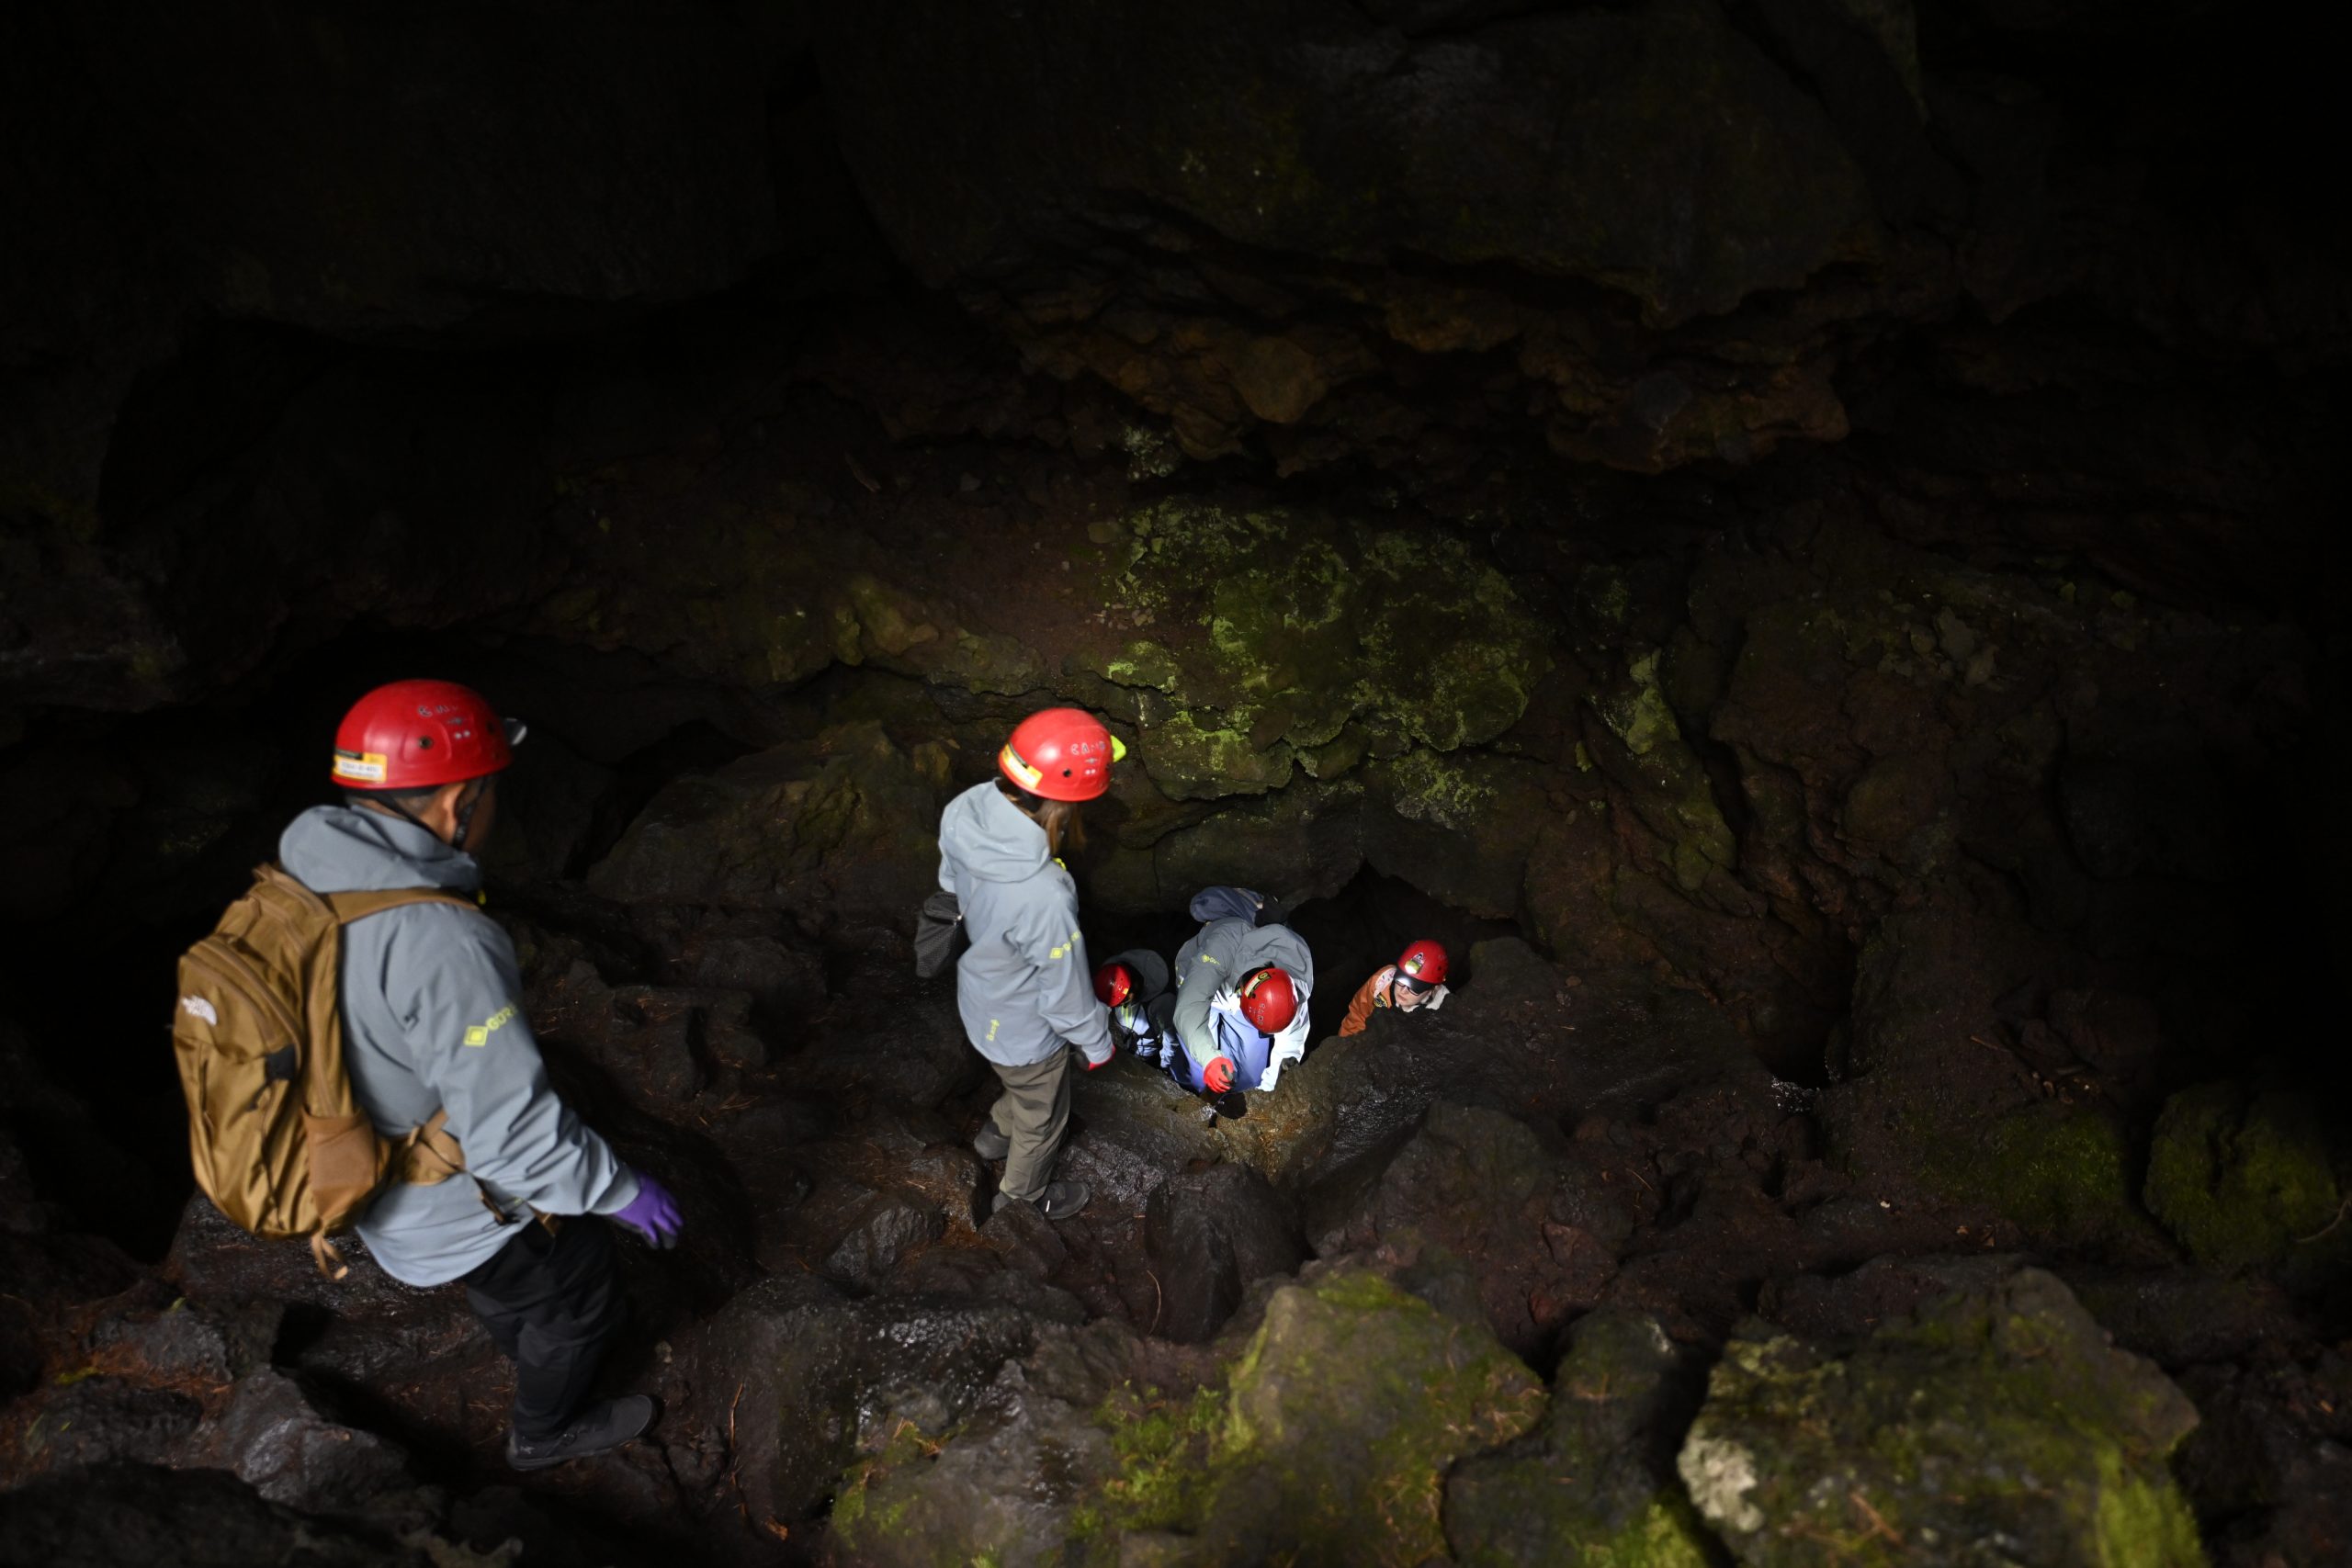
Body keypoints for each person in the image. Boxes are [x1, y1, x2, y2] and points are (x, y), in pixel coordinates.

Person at [280, 679, 683, 1472]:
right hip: (456, 1200)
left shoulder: (306, 872)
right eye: (494, 784)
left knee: (515, 1290)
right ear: (460, 797)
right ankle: (545, 1430)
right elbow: (514, 1137)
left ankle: (517, 1326)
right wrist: (619, 1189)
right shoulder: (438, 941)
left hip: (353, 1157)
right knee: (580, 1298)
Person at [938, 707, 1125, 1220]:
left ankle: (992, 1137)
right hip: (1025, 1027)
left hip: (979, 999)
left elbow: (950, 883)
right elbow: (1065, 996)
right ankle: (1020, 1201)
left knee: (1020, 1086)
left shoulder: (967, 807)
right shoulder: (1044, 894)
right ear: (1066, 805)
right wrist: (1097, 1043)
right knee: (1044, 1116)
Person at [1169, 886, 1315, 1100]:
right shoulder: (1225, 941)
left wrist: (1268, 1097)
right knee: (1200, 1069)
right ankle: (1188, 1090)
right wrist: (1210, 1059)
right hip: (1204, 990)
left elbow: (1290, 1046)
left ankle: (1229, 1101)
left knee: (1249, 1076)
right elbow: (1191, 1005)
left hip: (1240, 1003)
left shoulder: (1293, 989)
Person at [1339, 940, 1452, 1037]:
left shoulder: (1442, 1009)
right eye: (1401, 979)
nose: (1403, 991)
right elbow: (1358, 1015)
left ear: (1433, 989)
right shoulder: (1382, 982)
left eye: (1415, 987)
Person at [1096, 951, 1175, 1066]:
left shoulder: (1162, 1003)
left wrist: (1165, 1065)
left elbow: (1172, 1039)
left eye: (1123, 1002)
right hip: (1131, 1045)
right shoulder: (1112, 980)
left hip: (1151, 1056)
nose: (1120, 1005)